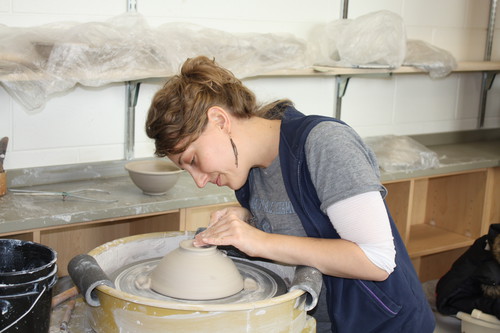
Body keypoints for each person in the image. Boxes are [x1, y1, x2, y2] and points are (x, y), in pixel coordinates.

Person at [146, 55, 435, 332]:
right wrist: (249, 217)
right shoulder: (248, 171)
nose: (199, 181)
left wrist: (259, 240)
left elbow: (376, 260)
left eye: (193, 160)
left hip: (379, 322)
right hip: (313, 320)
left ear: (220, 121)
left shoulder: (325, 144)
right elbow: (302, 218)